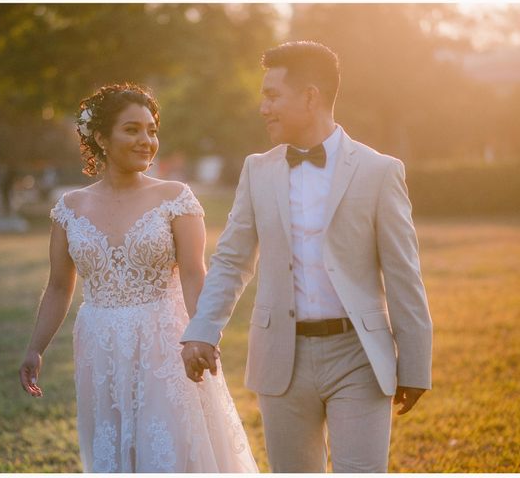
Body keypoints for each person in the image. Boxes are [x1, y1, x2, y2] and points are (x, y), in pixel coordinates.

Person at [180, 41, 433, 472]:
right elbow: (231, 260)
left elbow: (402, 273)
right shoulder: (257, 170)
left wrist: (415, 363)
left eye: (272, 95)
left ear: (311, 97)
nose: (263, 108)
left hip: (358, 355)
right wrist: (202, 328)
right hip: (281, 356)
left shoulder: (379, 171)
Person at [18, 83, 257, 473]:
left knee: (169, 449)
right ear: (101, 138)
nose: (147, 140)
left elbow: (196, 273)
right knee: (114, 452)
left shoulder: (175, 197)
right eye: (132, 129)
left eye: (151, 130)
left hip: (166, 341)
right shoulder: (69, 207)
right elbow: (60, 286)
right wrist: (35, 348)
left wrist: (203, 334)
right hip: (99, 344)